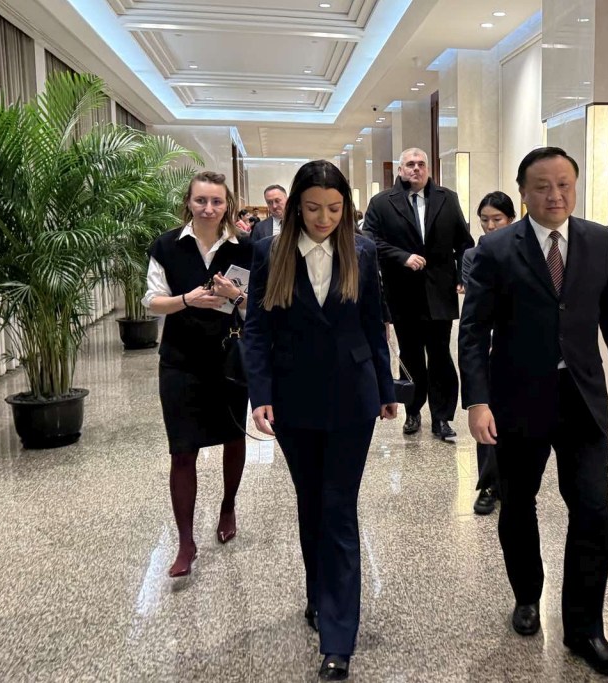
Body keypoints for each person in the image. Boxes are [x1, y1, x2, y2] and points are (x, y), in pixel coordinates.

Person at [458, 148, 608, 678]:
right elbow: (474, 330)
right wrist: (477, 399)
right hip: (517, 399)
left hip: (582, 396)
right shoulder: (495, 248)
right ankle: (527, 595)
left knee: (593, 508)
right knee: (518, 504)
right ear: (523, 192)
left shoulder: (598, 239)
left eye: (564, 184)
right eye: (542, 186)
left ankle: (585, 629)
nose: (555, 195)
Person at [244, 160, 398, 682]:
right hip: (293, 398)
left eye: (334, 209)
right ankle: (319, 594)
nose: (324, 219)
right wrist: (260, 394)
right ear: (295, 207)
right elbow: (256, 330)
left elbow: (374, 324)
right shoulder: (269, 252)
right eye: (313, 208)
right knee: (311, 503)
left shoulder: (363, 250)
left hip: (353, 396)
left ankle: (338, 637)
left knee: (338, 508)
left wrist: (386, 388)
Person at [142, 170, 253, 579]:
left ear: (228, 205)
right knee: (182, 449)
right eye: (201, 200)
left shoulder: (247, 249)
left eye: (216, 201)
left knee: (233, 437)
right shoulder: (167, 245)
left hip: (229, 358)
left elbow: (258, 306)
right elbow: (152, 301)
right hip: (180, 360)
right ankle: (185, 541)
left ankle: (228, 506)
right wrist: (187, 299)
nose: (208, 208)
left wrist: (234, 296)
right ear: (188, 202)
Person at [363, 148, 474, 442]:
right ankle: (412, 411)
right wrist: (401, 256)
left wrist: (461, 275)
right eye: (410, 164)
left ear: (428, 168)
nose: (416, 168)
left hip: (439, 291)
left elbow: (464, 242)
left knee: (440, 356)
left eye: (421, 164)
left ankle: (442, 417)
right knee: (410, 356)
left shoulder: (447, 198)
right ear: (401, 170)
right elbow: (369, 240)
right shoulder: (382, 203)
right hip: (403, 292)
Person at [460, 191, 516, 516]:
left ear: (511, 219)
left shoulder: (526, 251)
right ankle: (489, 484)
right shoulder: (473, 255)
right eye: (485, 220)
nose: (491, 226)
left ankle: (511, 481)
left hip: (521, 347)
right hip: (490, 344)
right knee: (487, 414)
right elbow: (477, 306)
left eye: (497, 219)